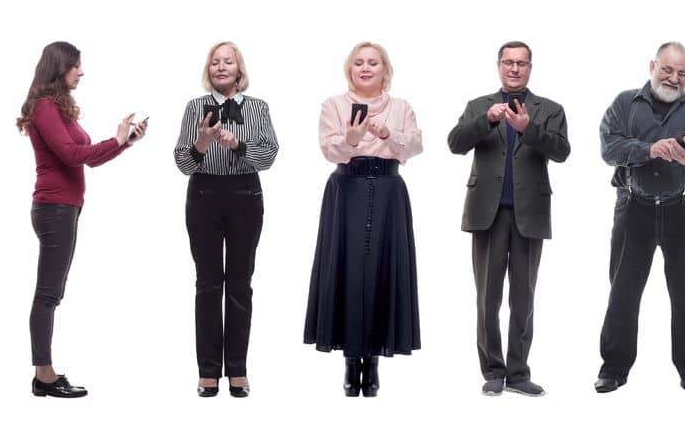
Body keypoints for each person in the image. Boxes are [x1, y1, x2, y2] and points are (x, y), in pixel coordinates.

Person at [18, 42, 146, 399]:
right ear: (59, 68)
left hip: (65, 208)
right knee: (48, 294)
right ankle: (44, 374)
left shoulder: (58, 108)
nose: (81, 72)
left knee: (52, 292)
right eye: (76, 66)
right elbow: (71, 155)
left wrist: (125, 143)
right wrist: (115, 139)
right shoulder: (44, 107)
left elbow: (88, 159)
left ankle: (43, 373)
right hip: (54, 209)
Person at [596, 42, 685, 397]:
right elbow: (608, 147)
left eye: (681, 73)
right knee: (623, 290)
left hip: (684, 209)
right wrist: (647, 150)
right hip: (633, 207)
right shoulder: (625, 103)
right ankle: (614, 367)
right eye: (667, 69)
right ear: (653, 65)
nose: (673, 78)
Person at [448, 40, 571, 396]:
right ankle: (492, 370)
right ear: (498, 66)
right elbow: (455, 143)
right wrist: (486, 121)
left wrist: (528, 129)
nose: (514, 69)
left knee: (523, 296)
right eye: (508, 63)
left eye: (521, 63)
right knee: (487, 297)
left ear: (530, 68)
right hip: (486, 212)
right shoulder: (478, 106)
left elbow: (562, 151)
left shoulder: (549, 109)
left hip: (529, 212)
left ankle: (518, 372)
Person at [305, 42, 423, 397]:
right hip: (347, 188)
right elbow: (329, 150)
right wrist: (352, 139)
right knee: (348, 270)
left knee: (383, 271)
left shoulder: (401, 107)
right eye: (359, 63)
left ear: (385, 69)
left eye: (373, 62)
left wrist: (387, 134)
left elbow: (415, 146)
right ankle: (351, 359)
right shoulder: (333, 105)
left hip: (389, 189)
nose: (366, 68)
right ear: (349, 69)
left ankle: (372, 361)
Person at [174, 41, 279, 398]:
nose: (221, 67)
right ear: (209, 70)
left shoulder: (259, 108)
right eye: (215, 62)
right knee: (207, 284)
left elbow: (268, 156)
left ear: (239, 70)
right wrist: (201, 144)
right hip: (203, 196)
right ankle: (207, 372)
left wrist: (237, 145)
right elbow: (182, 164)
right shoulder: (194, 108)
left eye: (228, 62)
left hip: (245, 197)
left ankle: (237, 369)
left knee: (239, 284)